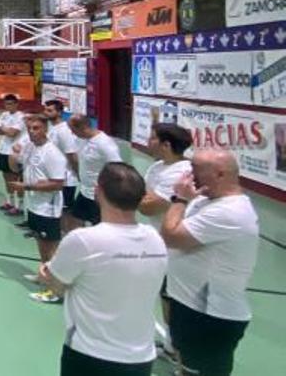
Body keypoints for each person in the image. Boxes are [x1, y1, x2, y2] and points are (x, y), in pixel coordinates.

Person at [40, 162, 168, 376]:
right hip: (140, 358)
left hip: (91, 355)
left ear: (98, 192)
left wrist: (45, 272)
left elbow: (55, 283)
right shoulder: (155, 239)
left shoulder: (83, 240)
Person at [160, 149, 259, 376]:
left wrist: (180, 199)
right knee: (186, 366)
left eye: (195, 170)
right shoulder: (206, 200)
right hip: (189, 308)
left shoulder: (230, 212)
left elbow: (171, 236)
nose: (188, 175)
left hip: (209, 316)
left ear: (220, 174)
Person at [139, 122, 194, 357]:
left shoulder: (181, 172)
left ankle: (183, 350)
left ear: (166, 144)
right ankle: (172, 344)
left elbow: (147, 206)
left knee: (177, 300)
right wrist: (146, 198)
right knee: (165, 295)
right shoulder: (157, 167)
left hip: (177, 249)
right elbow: (143, 198)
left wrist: (145, 198)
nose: (147, 141)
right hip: (159, 244)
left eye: (152, 138)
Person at [8, 114, 67, 304]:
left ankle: (55, 290)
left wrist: (27, 187)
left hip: (47, 207)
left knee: (51, 248)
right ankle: (44, 274)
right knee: (41, 243)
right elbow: (16, 165)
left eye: (37, 128)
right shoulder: (31, 147)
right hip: (34, 205)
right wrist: (14, 154)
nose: (32, 132)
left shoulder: (53, 154)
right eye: (30, 128)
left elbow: (58, 184)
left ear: (45, 130)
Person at [68, 115, 123, 228]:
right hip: (84, 192)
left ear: (83, 128)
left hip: (99, 196)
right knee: (75, 222)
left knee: (99, 228)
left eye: (73, 130)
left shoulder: (105, 144)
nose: (72, 134)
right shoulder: (81, 139)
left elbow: (118, 168)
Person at [44, 100, 80, 231]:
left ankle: (66, 233)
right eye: (45, 110)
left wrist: (77, 173)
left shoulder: (64, 131)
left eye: (50, 111)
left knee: (65, 209)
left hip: (66, 178)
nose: (46, 113)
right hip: (53, 176)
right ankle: (52, 230)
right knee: (53, 206)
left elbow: (72, 156)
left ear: (59, 112)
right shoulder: (52, 128)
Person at [0, 94, 26, 215]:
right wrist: (6, 129)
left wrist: (3, 128)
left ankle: (20, 206)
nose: (8, 106)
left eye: (11, 103)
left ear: (16, 104)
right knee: (6, 177)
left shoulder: (21, 117)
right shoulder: (4, 115)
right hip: (3, 150)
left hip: (14, 152)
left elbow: (13, 133)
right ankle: (10, 202)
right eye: (6, 104)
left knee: (16, 179)